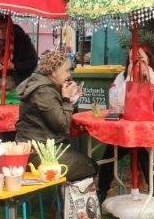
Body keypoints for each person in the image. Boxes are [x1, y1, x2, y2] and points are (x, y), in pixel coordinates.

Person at [97, 46, 154, 203]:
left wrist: (148, 78)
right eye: (132, 59)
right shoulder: (121, 78)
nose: (136, 62)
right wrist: (129, 78)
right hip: (125, 132)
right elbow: (116, 104)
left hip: (150, 132)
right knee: (110, 152)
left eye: (140, 58)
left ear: (149, 59)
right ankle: (101, 192)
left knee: (143, 147)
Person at [15, 49, 97, 182]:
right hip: (38, 153)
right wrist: (66, 100)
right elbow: (62, 125)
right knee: (90, 166)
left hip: (42, 147)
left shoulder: (45, 85)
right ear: (53, 72)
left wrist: (71, 98)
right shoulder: (43, 91)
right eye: (66, 70)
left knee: (84, 161)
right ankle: (61, 201)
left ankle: (59, 199)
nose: (68, 74)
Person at [0, 14, 38, 90]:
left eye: (4, 28)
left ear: (10, 28)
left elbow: (33, 62)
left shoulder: (22, 40)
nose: (1, 32)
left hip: (20, 84)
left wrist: (14, 66)